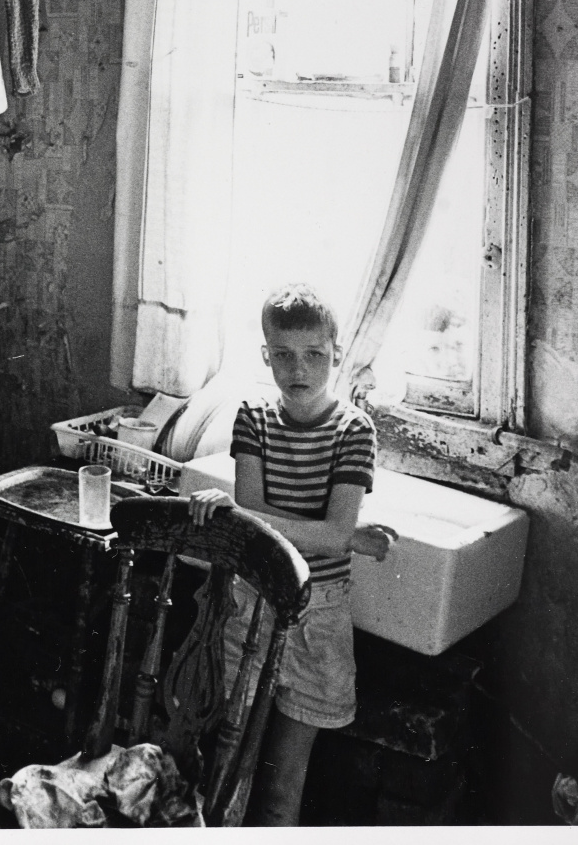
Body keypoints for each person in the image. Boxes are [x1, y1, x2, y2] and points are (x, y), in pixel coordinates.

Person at [187, 283, 395, 827]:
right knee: (231, 765)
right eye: (282, 355)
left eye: (314, 356)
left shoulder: (354, 431)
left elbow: (287, 528)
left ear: (336, 355)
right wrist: (338, 533)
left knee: (284, 785)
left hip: (317, 614)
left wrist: (334, 534)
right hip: (250, 606)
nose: (297, 368)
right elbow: (314, 531)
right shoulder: (253, 417)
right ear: (265, 355)